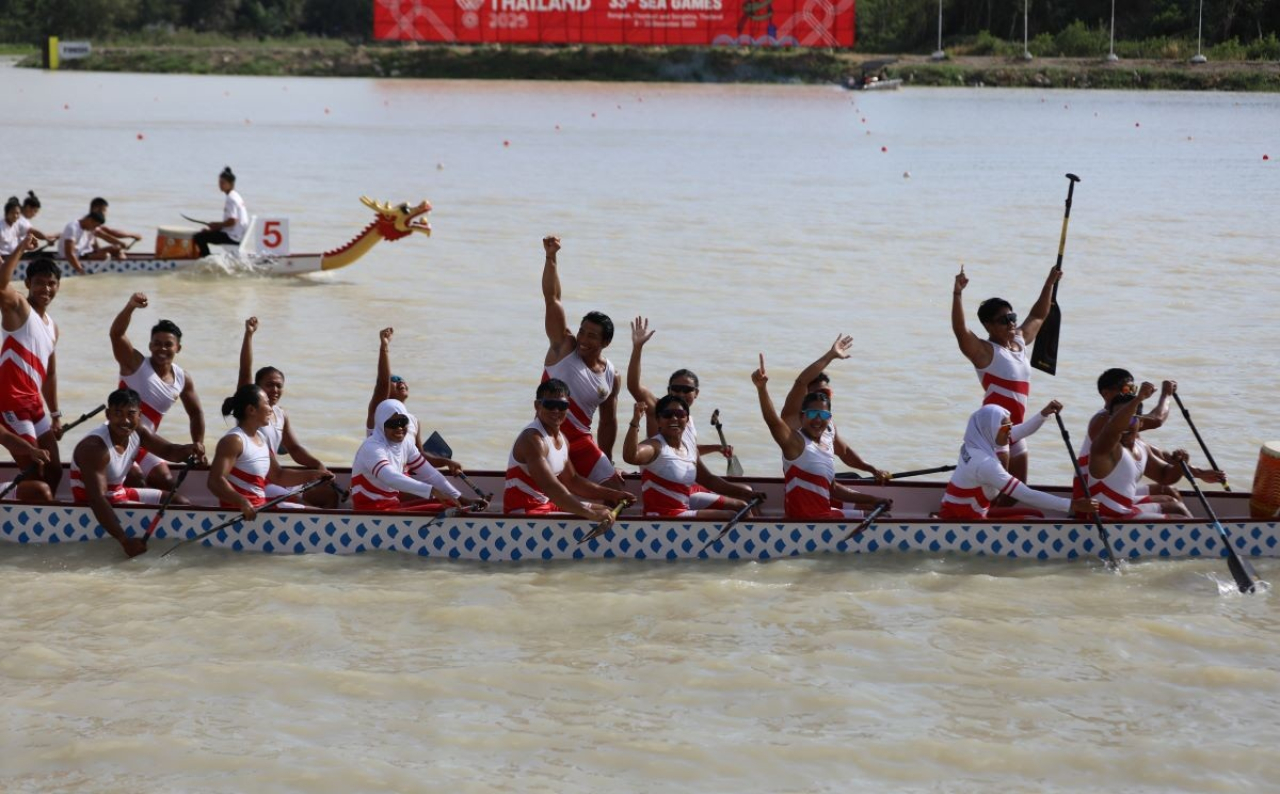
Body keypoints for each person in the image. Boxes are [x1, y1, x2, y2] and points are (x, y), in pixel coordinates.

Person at [951, 262, 1062, 487]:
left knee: (1013, 494)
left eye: (1012, 316)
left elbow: (1039, 315)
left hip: (1017, 430)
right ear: (988, 325)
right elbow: (960, 330)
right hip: (994, 431)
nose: (1011, 323)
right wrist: (957, 293)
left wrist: (1050, 282)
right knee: (997, 493)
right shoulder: (984, 352)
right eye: (1004, 320)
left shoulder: (1019, 340)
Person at [752, 353, 888, 519]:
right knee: (881, 518)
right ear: (802, 415)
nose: (817, 419)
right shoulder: (793, 436)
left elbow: (842, 459)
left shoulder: (828, 430)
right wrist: (761, 389)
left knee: (878, 508)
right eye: (812, 413)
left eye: (826, 393)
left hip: (823, 509)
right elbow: (774, 419)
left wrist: (872, 475)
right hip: (806, 520)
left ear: (829, 416)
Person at [70, 388, 200, 558]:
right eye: (118, 413)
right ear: (108, 415)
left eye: (131, 414)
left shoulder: (138, 431)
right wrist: (124, 541)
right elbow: (96, 499)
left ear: (140, 415)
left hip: (118, 493)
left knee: (181, 503)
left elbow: (169, 452)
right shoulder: (94, 448)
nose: (125, 420)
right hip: (94, 501)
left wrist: (192, 450)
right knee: (174, 507)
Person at [626, 316, 740, 507]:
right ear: (668, 390)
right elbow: (634, 386)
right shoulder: (658, 409)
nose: (680, 393)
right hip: (667, 486)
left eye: (687, 390)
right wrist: (637, 348)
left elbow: (686, 452)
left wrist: (716, 448)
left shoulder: (686, 419)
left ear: (696, 394)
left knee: (747, 492)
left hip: (684, 482)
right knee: (740, 499)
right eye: (675, 389)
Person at [539, 235, 623, 487]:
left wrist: (608, 460)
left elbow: (608, 422)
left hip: (582, 442)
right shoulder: (564, 348)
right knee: (564, 491)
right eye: (582, 331)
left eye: (592, 336)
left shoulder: (611, 375)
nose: (583, 339)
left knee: (615, 490)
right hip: (549, 436)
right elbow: (552, 300)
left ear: (606, 343)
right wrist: (551, 257)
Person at [110, 293, 206, 490]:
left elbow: (196, 413)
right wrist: (131, 307)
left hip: (146, 443)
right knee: (136, 479)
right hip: (117, 438)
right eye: (157, 343)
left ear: (178, 348)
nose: (162, 348)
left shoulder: (182, 378)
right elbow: (116, 334)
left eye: (168, 344)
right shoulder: (134, 363)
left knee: (168, 483)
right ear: (150, 345)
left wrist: (199, 445)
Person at [239, 316, 337, 508]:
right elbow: (245, 371)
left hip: (277, 477)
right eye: (269, 385)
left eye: (278, 386)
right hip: (260, 482)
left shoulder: (281, 414)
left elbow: (294, 449)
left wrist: (318, 466)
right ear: (256, 387)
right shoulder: (249, 410)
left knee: (329, 494)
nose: (274, 390)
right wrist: (249, 335)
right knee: (305, 505)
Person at [939, 404, 1098, 520]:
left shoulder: (974, 443)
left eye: (1010, 426)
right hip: (961, 520)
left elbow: (1021, 430)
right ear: (991, 429)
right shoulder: (985, 464)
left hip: (962, 511)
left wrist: (1043, 414)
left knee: (1037, 515)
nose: (1010, 432)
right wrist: (1073, 505)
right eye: (1006, 428)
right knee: (1034, 519)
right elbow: (1025, 494)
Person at [504, 378, 631, 523]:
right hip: (523, 512)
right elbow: (552, 488)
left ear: (568, 407)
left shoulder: (563, 439)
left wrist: (614, 495)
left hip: (547, 506)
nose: (556, 411)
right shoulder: (533, 440)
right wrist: (590, 514)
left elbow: (573, 481)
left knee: (606, 511)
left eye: (562, 405)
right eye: (550, 404)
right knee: (598, 516)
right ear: (537, 405)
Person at [1086, 383, 1215, 519]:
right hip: (1103, 517)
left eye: (1130, 419)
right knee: (1179, 518)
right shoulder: (1104, 446)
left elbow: (1165, 476)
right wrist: (1138, 398)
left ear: (1141, 422)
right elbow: (1115, 427)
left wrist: (1180, 463)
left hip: (1124, 509)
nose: (1124, 425)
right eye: (1118, 418)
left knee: (1175, 505)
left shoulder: (1140, 447)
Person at [622, 395, 756, 518]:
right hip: (663, 515)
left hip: (684, 505)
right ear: (658, 420)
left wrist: (746, 494)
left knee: (742, 506)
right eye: (667, 415)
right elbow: (630, 456)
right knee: (729, 516)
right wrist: (635, 422)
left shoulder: (689, 445)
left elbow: (708, 480)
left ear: (687, 419)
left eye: (680, 414)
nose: (674, 418)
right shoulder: (655, 446)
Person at [207, 384, 328, 519]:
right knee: (321, 518)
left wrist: (314, 475)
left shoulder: (261, 438)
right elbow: (215, 481)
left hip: (261, 508)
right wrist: (242, 501)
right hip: (242, 515)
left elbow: (278, 476)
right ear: (251, 410)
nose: (271, 409)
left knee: (322, 515)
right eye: (266, 404)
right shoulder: (234, 441)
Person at [780, 335, 890, 485]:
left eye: (826, 393)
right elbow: (801, 382)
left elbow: (844, 452)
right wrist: (830, 356)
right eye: (816, 394)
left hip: (825, 490)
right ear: (804, 397)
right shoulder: (793, 420)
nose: (822, 398)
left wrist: (873, 470)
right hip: (803, 495)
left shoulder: (828, 424)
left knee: (854, 477)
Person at [0, 240, 65, 492]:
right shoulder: (18, 307)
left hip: (35, 405)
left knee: (54, 470)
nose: (45, 288)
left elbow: (50, 374)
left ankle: (39, 502)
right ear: (28, 284)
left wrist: (56, 415)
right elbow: (1, 284)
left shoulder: (52, 326)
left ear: (58, 286)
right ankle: (22, 498)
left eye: (51, 283)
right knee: (34, 474)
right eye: (39, 282)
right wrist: (20, 249)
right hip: (11, 403)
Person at [364, 327, 464, 476]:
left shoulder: (414, 421)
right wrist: (384, 346)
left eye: (402, 379)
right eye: (395, 379)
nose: (400, 381)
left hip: (404, 480)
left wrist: (446, 462)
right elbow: (382, 383)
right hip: (384, 481)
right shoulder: (378, 414)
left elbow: (419, 457)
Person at [351, 399, 475, 512]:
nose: (399, 428)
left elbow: (430, 474)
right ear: (381, 424)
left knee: (453, 502)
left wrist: (460, 497)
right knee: (450, 508)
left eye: (403, 421)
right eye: (393, 424)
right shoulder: (372, 447)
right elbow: (391, 478)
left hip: (393, 505)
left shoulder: (406, 444)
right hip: (370, 511)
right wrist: (432, 491)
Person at [193, 166, 248, 257]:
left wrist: (217, 225)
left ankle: (206, 259)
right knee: (206, 233)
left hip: (232, 237)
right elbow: (231, 222)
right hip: (237, 235)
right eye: (219, 182)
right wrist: (215, 228)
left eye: (223, 183)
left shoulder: (231, 198)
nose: (220, 185)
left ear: (231, 184)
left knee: (199, 237)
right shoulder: (236, 195)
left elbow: (232, 221)